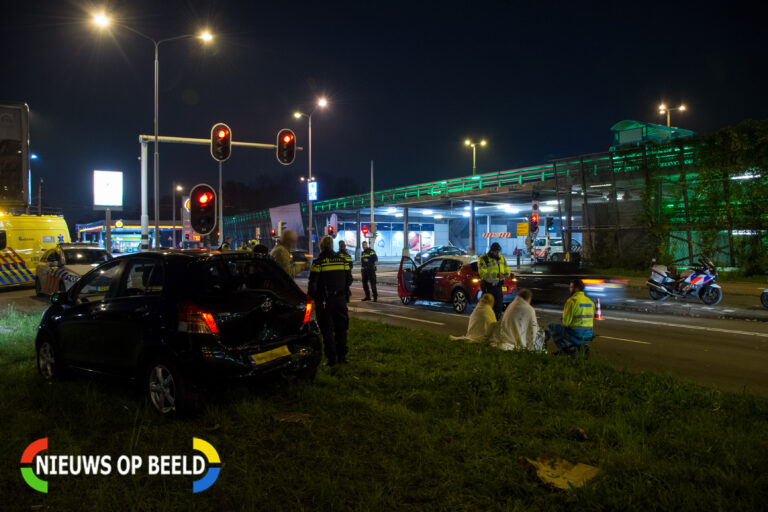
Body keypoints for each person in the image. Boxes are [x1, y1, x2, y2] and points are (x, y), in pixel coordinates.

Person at [308, 236, 353, 366]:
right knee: (342, 328)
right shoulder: (342, 260)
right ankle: (342, 357)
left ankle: (332, 359)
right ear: (332, 245)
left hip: (325, 301)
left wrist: (311, 297)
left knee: (327, 329)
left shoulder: (318, 262)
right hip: (340, 300)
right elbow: (349, 279)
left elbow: (313, 283)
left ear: (321, 246)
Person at [546, 279, 595, 356]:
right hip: (588, 335)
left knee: (552, 326)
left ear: (576, 289)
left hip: (577, 335)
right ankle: (573, 349)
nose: (570, 289)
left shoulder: (571, 301)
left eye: (571, 287)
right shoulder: (590, 301)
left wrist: (563, 320)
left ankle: (567, 350)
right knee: (565, 329)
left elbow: (566, 323)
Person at [478, 242, 510, 319]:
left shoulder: (501, 258)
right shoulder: (484, 259)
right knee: (489, 306)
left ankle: (497, 318)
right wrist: (496, 275)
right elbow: (482, 273)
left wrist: (506, 274)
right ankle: (489, 321)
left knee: (499, 305)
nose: (497, 253)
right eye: (496, 251)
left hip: (499, 286)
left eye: (498, 251)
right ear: (491, 251)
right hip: (489, 287)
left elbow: (507, 268)